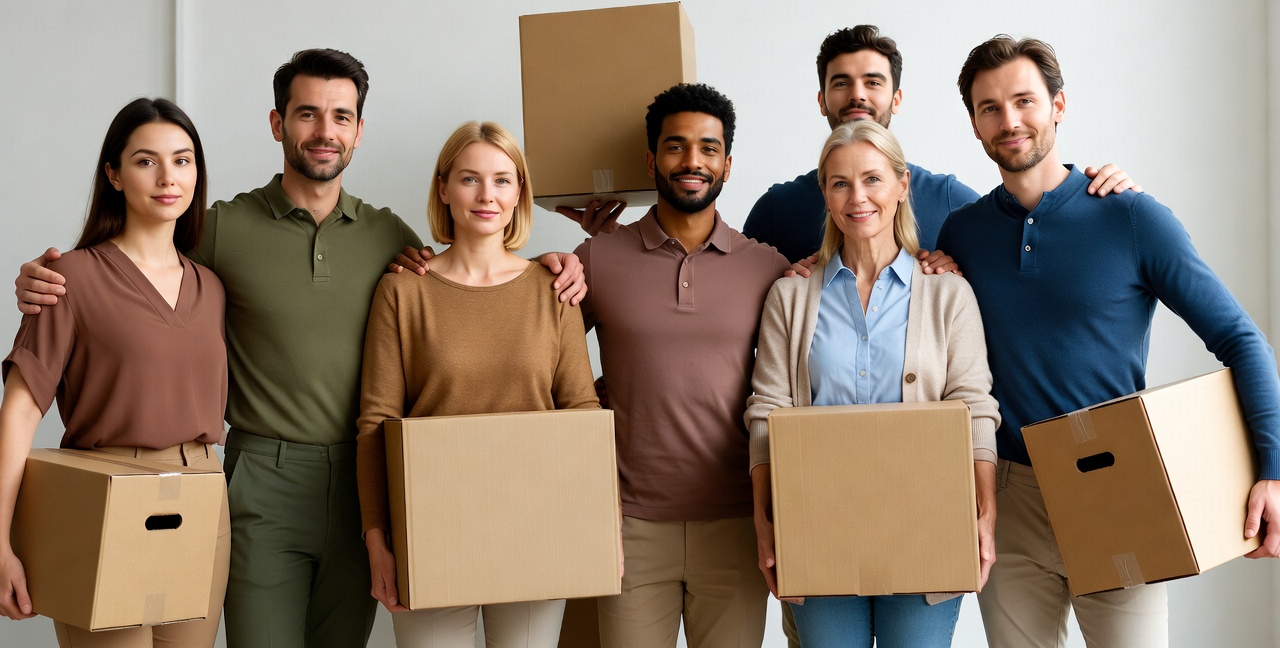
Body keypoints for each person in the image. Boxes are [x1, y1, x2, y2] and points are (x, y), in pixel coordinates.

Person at [13, 50, 585, 648]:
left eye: (342, 117)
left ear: (359, 132)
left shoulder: (390, 236)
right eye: (307, 113)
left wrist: (553, 265)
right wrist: (50, 277)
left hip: (365, 477)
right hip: (262, 476)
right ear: (277, 123)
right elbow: (139, 268)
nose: (324, 131)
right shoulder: (222, 228)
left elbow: (464, 283)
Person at [937, 35, 1280, 648]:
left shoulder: (1131, 216)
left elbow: (1240, 339)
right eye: (990, 107)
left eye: (1024, 100)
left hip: (1117, 487)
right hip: (1010, 499)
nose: (1009, 120)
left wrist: (1273, 469)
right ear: (974, 123)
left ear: (1059, 104)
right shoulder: (962, 234)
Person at [744, 119, 999, 648]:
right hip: (817, 527)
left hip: (928, 525)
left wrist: (984, 512)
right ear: (825, 194)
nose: (857, 197)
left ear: (902, 185)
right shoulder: (790, 298)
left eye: (873, 179)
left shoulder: (948, 294)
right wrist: (765, 520)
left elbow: (975, 409)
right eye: (840, 183)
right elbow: (766, 413)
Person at [357, 121, 600, 647]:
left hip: (538, 525)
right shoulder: (402, 293)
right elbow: (376, 423)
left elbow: (582, 412)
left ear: (519, 193)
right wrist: (376, 539)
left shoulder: (554, 291)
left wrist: (601, 526)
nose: (487, 195)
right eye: (470, 179)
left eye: (502, 180)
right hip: (430, 528)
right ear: (443, 189)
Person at [0, 98, 230, 647]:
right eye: (146, 161)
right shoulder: (68, 279)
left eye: (183, 160)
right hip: (104, 495)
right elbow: (19, 413)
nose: (168, 177)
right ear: (114, 174)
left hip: (201, 495)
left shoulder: (212, 287)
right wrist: (0, 540)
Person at [570, 83, 791, 648]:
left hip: (737, 523)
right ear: (652, 160)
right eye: (676, 146)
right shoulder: (598, 258)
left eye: (708, 148)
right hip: (628, 526)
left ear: (727, 164)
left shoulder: (766, 267)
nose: (693, 161)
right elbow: (536, 351)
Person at [742, 25, 1139, 264]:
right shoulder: (776, 211)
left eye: (873, 82)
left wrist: (1094, 194)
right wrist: (790, 285)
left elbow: (1025, 230)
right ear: (822, 100)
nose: (857, 95)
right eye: (841, 83)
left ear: (897, 99)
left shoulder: (951, 201)